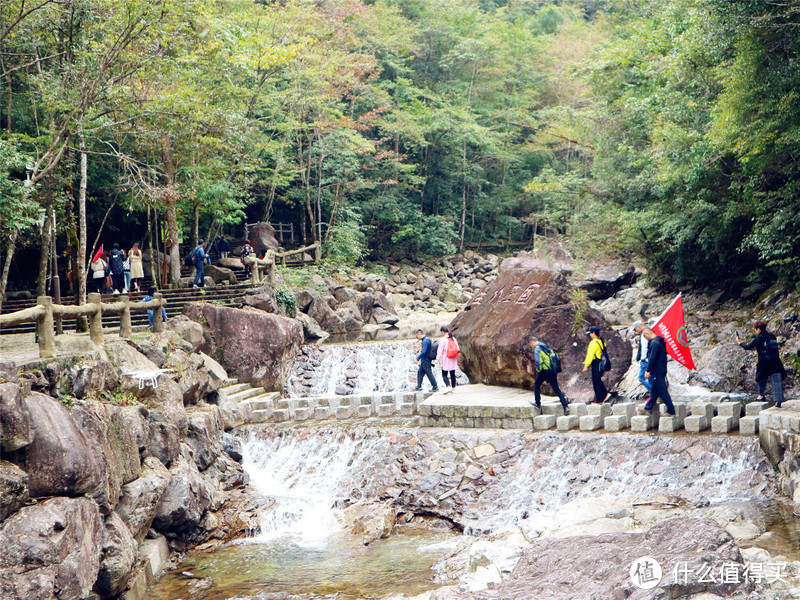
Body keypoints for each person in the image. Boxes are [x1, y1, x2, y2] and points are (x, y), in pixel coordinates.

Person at [737, 320, 786, 407]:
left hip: (764, 362)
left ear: (759, 329)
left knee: (761, 378)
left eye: (755, 329)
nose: (755, 331)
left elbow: (748, 347)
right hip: (775, 361)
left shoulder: (759, 338)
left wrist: (740, 343)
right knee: (776, 380)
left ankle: (761, 396)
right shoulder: (772, 336)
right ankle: (778, 401)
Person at [528, 337, 570, 415]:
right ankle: (565, 406)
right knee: (556, 388)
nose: (531, 346)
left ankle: (538, 403)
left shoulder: (537, 348)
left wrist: (539, 369)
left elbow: (538, 361)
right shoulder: (545, 346)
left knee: (536, 385)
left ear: (532, 342)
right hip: (552, 370)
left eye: (530, 344)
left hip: (544, 370)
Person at [640, 327, 676, 416]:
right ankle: (648, 407)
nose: (646, 339)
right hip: (661, 368)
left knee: (662, 390)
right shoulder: (659, 341)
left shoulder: (654, 343)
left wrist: (648, 370)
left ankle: (671, 410)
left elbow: (652, 358)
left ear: (647, 334)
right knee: (654, 390)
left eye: (645, 337)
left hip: (657, 370)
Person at [582, 326, 612, 404]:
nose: (590, 335)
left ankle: (600, 399)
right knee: (598, 380)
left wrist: (586, 365)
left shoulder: (593, 343)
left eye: (590, 333)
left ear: (594, 333)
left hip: (596, 363)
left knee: (596, 381)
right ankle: (605, 395)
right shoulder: (602, 342)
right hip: (601, 363)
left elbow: (590, 355)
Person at [436, 326, 459, 394]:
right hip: (453, 358)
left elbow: (439, 350)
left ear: (443, 332)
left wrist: (437, 359)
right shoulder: (453, 338)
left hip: (446, 358)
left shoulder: (443, 339)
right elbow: (457, 348)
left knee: (444, 374)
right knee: (452, 373)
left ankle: (448, 386)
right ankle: (453, 389)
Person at [632, 321, 652, 399]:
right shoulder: (649, 331)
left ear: (638, 327)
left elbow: (644, 348)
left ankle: (653, 392)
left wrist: (642, 359)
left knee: (641, 377)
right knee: (650, 378)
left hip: (646, 360)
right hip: (650, 359)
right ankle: (653, 395)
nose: (635, 331)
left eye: (635, 329)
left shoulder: (644, 334)